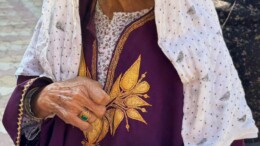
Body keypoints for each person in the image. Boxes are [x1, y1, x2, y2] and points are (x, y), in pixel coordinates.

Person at [3, 0, 258, 146]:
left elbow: (219, 135)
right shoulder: (65, 18)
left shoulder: (193, 42)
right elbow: (25, 105)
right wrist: (43, 98)